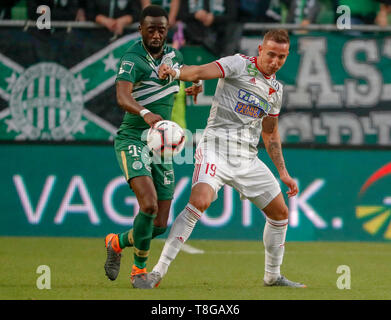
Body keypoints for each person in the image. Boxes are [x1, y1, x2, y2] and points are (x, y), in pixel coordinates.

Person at [143, 29, 306, 289]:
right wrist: (174, 72)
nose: (275, 61)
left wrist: (283, 173)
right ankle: (156, 273)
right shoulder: (238, 64)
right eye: (271, 54)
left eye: (282, 57)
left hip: (247, 158)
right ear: (261, 50)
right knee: (200, 201)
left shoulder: (275, 90)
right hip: (215, 149)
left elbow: (270, 133)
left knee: (280, 213)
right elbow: (198, 72)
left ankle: (272, 276)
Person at [104, 5, 201, 288]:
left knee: (158, 224)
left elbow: (179, 81)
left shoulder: (175, 56)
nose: (157, 34)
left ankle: (116, 242)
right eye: (151, 29)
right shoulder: (133, 59)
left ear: (167, 30)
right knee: (147, 205)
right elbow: (123, 97)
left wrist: (192, 87)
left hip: (161, 145)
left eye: (162, 29)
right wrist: (145, 113)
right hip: (134, 137)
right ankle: (139, 271)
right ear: (141, 30)